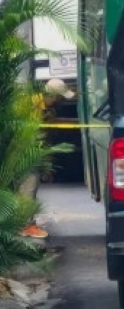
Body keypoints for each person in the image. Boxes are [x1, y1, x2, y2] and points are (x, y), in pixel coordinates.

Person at [19, 78, 77, 239]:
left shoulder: (47, 109)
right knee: (27, 187)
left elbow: (47, 134)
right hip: (25, 153)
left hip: (35, 153)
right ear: (50, 95)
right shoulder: (31, 105)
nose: (58, 101)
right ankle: (24, 225)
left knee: (31, 187)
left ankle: (26, 222)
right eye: (57, 97)